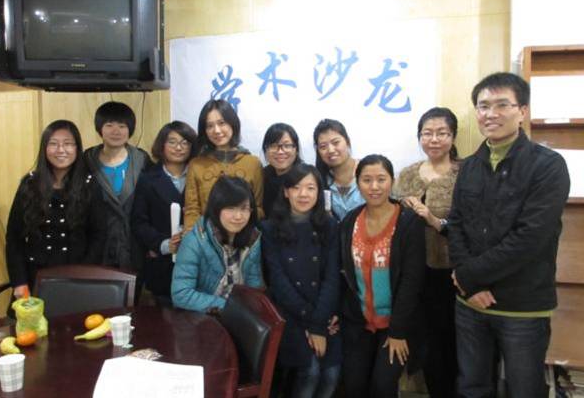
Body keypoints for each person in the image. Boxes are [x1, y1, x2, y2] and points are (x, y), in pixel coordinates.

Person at [449, 72, 570, 398]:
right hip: (470, 304)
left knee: (524, 389)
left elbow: (530, 238)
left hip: (522, 306)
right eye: (483, 106)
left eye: (502, 105)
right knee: (472, 387)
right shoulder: (469, 166)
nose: (491, 114)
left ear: (522, 111)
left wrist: (467, 276)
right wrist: (470, 285)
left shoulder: (548, 166)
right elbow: (456, 224)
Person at [339, 154, 426, 398]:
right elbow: (344, 274)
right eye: (367, 180)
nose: (374, 186)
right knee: (354, 386)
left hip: (395, 324)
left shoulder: (408, 222)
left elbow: (412, 280)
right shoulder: (350, 221)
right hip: (359, 322)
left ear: (392, 181)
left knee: (382, 386)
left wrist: (398, 331)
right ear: (358, 183)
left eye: (381, 179)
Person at [392, 107, 460, 398]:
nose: (434, 139)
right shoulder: (408, 174)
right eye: (427, 133)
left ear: (453, 136)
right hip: (414, 270)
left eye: (442, 133)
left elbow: (472, 225)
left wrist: (433, 220)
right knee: (423, 340)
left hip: (451, 271)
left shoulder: (464, 173)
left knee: (451, 340)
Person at [261, 164, 341, 398]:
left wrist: (320, 321)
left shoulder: (329, 225)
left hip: (324, 312)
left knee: (332, 374)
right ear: (286, 192)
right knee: (311, 372)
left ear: (319, 193)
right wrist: (312, 323)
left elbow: (332, 276)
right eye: (296, 187)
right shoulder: (270, 228)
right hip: (290, 314)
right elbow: (278, 281)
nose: (303, 194)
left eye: (310, 188)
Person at [6, 120, 105, 298]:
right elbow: (14, 238)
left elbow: (98, 236)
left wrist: (84, 275)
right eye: (53, 144)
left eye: (68, 144)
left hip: (76, 277)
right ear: (44, 148)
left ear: (77, 149)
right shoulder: (30, 184)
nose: (61, 150)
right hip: (34, 276)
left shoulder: (89, 185)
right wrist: (19, 282)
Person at [171, 176, 263, 313]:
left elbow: (254, 286)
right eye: (231, 208)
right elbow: (181, 295)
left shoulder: (253, 238)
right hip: (203, 316)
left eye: (244, 209)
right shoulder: (195, 241)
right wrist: (229, 307)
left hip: (240, 314)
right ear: (216, 208)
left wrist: (253, 309)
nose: (238, 216)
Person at [131, 121, 198, 306]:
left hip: (197, 262)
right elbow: (139, 222)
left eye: (185, 142)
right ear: (162, 145)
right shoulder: (147, 178)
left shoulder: (200, 175)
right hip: (162, 263)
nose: (179, 147)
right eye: (172, 142)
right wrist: (164, 244)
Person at [84, 101, 152, 270]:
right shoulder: (86, 160)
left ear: (130, 129)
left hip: (134, 246)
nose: (116, 131)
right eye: (109, 125)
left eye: (122, 126)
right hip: (96, 246)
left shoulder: (142, 160)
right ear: (99, 128)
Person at [184, 99, 264, 231]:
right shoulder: (196, 165)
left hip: (243, 236)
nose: (216, 130)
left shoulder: (253, 163)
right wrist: (194, 238)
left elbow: (258, 208)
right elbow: (192, 210)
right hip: (206, 237)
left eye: (222, 123)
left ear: (233, 124)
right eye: (209, 126)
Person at [313, 119, 364, 221]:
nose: (331, 150)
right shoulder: (319, 180)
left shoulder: (367, 170)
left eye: (336, 143)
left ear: (348, 142)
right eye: (323, 146)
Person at [261, 123, 303, 218]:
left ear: (296, 150)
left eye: (287, 145)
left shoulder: (306, 177)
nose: (280, 151)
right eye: (273, 146)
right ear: (265, 150)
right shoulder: (262, 175)